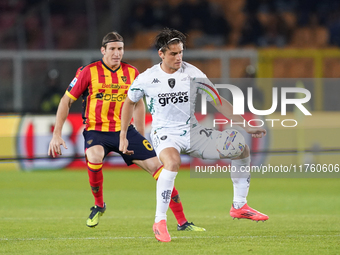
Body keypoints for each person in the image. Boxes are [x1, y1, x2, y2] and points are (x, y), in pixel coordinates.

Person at [119, 28, 269, 242]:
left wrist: (246, 125)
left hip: (193, 131)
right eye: (173, 53)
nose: (179, 57)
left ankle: (239, 205)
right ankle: (160, 221)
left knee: (241, 147)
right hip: (164, 133)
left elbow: (218, 101)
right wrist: (124, 134)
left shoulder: (193, 74)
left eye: (181, 52)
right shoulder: (147, 78)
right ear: (161, 54)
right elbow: (130, 102)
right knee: (172, 162)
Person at [47, 31, 205, 232]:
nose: (116, 53)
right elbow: (66, 100)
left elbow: (138, 103)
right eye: (112, 49)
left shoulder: (132, 73)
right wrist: (56, 134)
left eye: (120, 49)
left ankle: (183, 222)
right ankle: (99, 204)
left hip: (125, 131)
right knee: (94, 156)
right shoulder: (88, 71)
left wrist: (139, 133)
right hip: (97, 131)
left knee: (161, 170)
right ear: (103, 50)